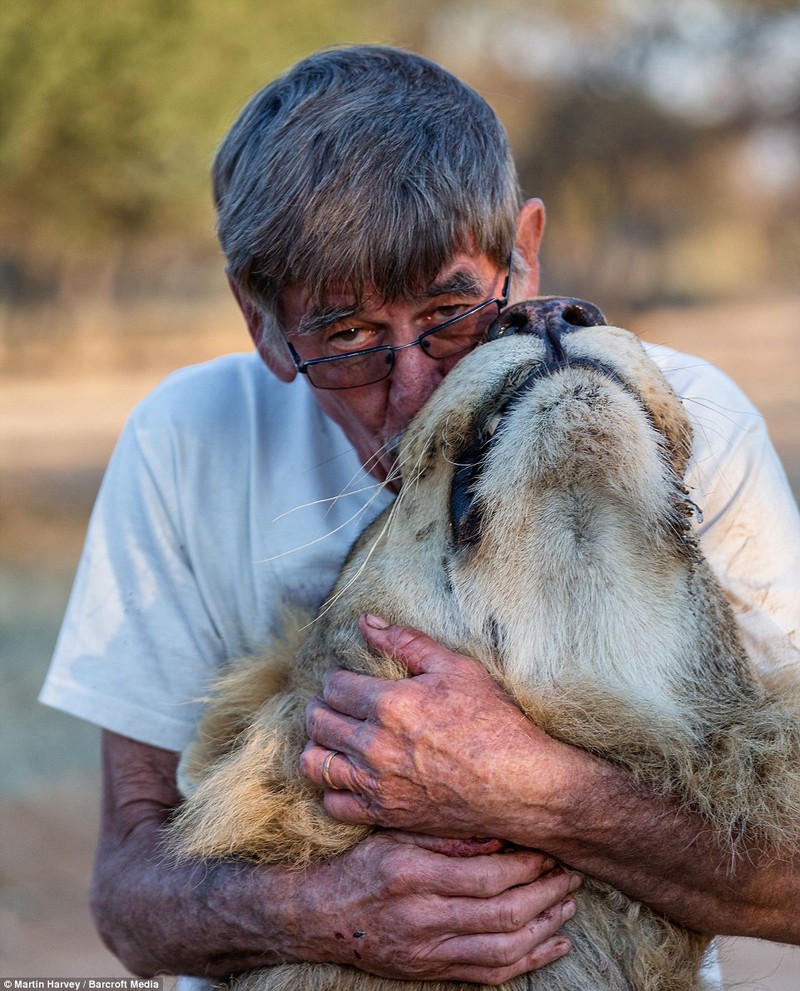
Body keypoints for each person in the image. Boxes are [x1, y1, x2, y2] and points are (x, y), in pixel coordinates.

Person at [40, 45, 800, 987]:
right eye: (349, 337)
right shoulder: (186, 437)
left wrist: (535, 791)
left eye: (451, 312)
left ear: (523, 253)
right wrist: (317, 911)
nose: (414, 390)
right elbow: (126, 900)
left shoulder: (678, 419)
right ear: (261, 320)